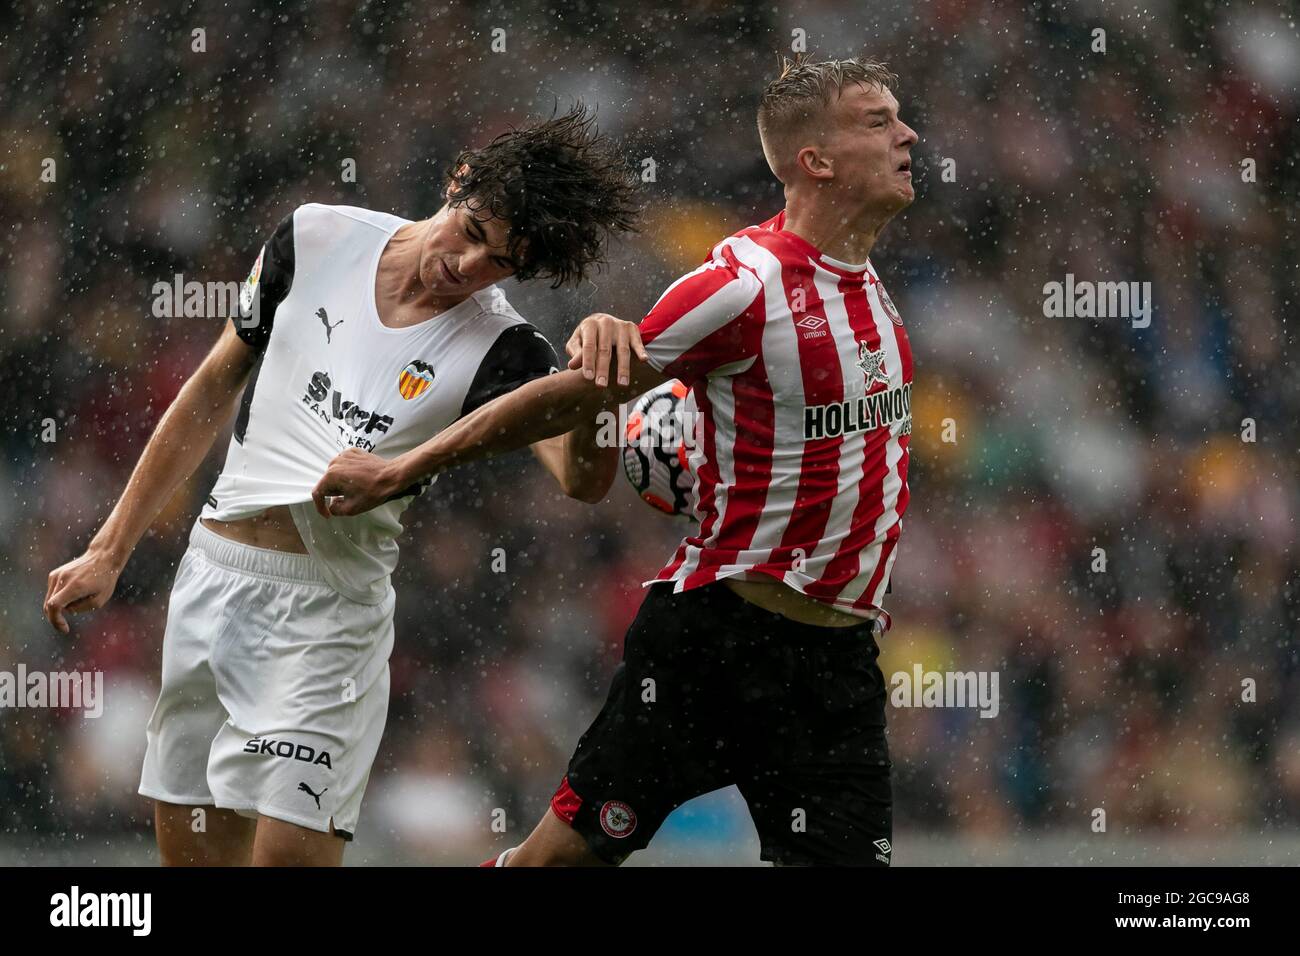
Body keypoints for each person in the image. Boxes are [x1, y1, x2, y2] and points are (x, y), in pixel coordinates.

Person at [315, 54, 918, 867]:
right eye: (878, 121)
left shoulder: (870, 284)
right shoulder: (744, 284)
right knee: (556, 863)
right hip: (719, 646)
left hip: (838, 665)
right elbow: (576, 393)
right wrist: (401, 467)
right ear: (816, 160)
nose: (907, 134)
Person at [43, 106, 638, 866]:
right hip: (211, 586)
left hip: (328, 618)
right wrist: (109, 548)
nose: (469, 263)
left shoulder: (507, 349)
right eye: (473, 228)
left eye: (500, 260)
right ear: (458, 180)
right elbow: (210, 388)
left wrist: (595, 390)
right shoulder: (316, 234)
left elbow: (583, 480)